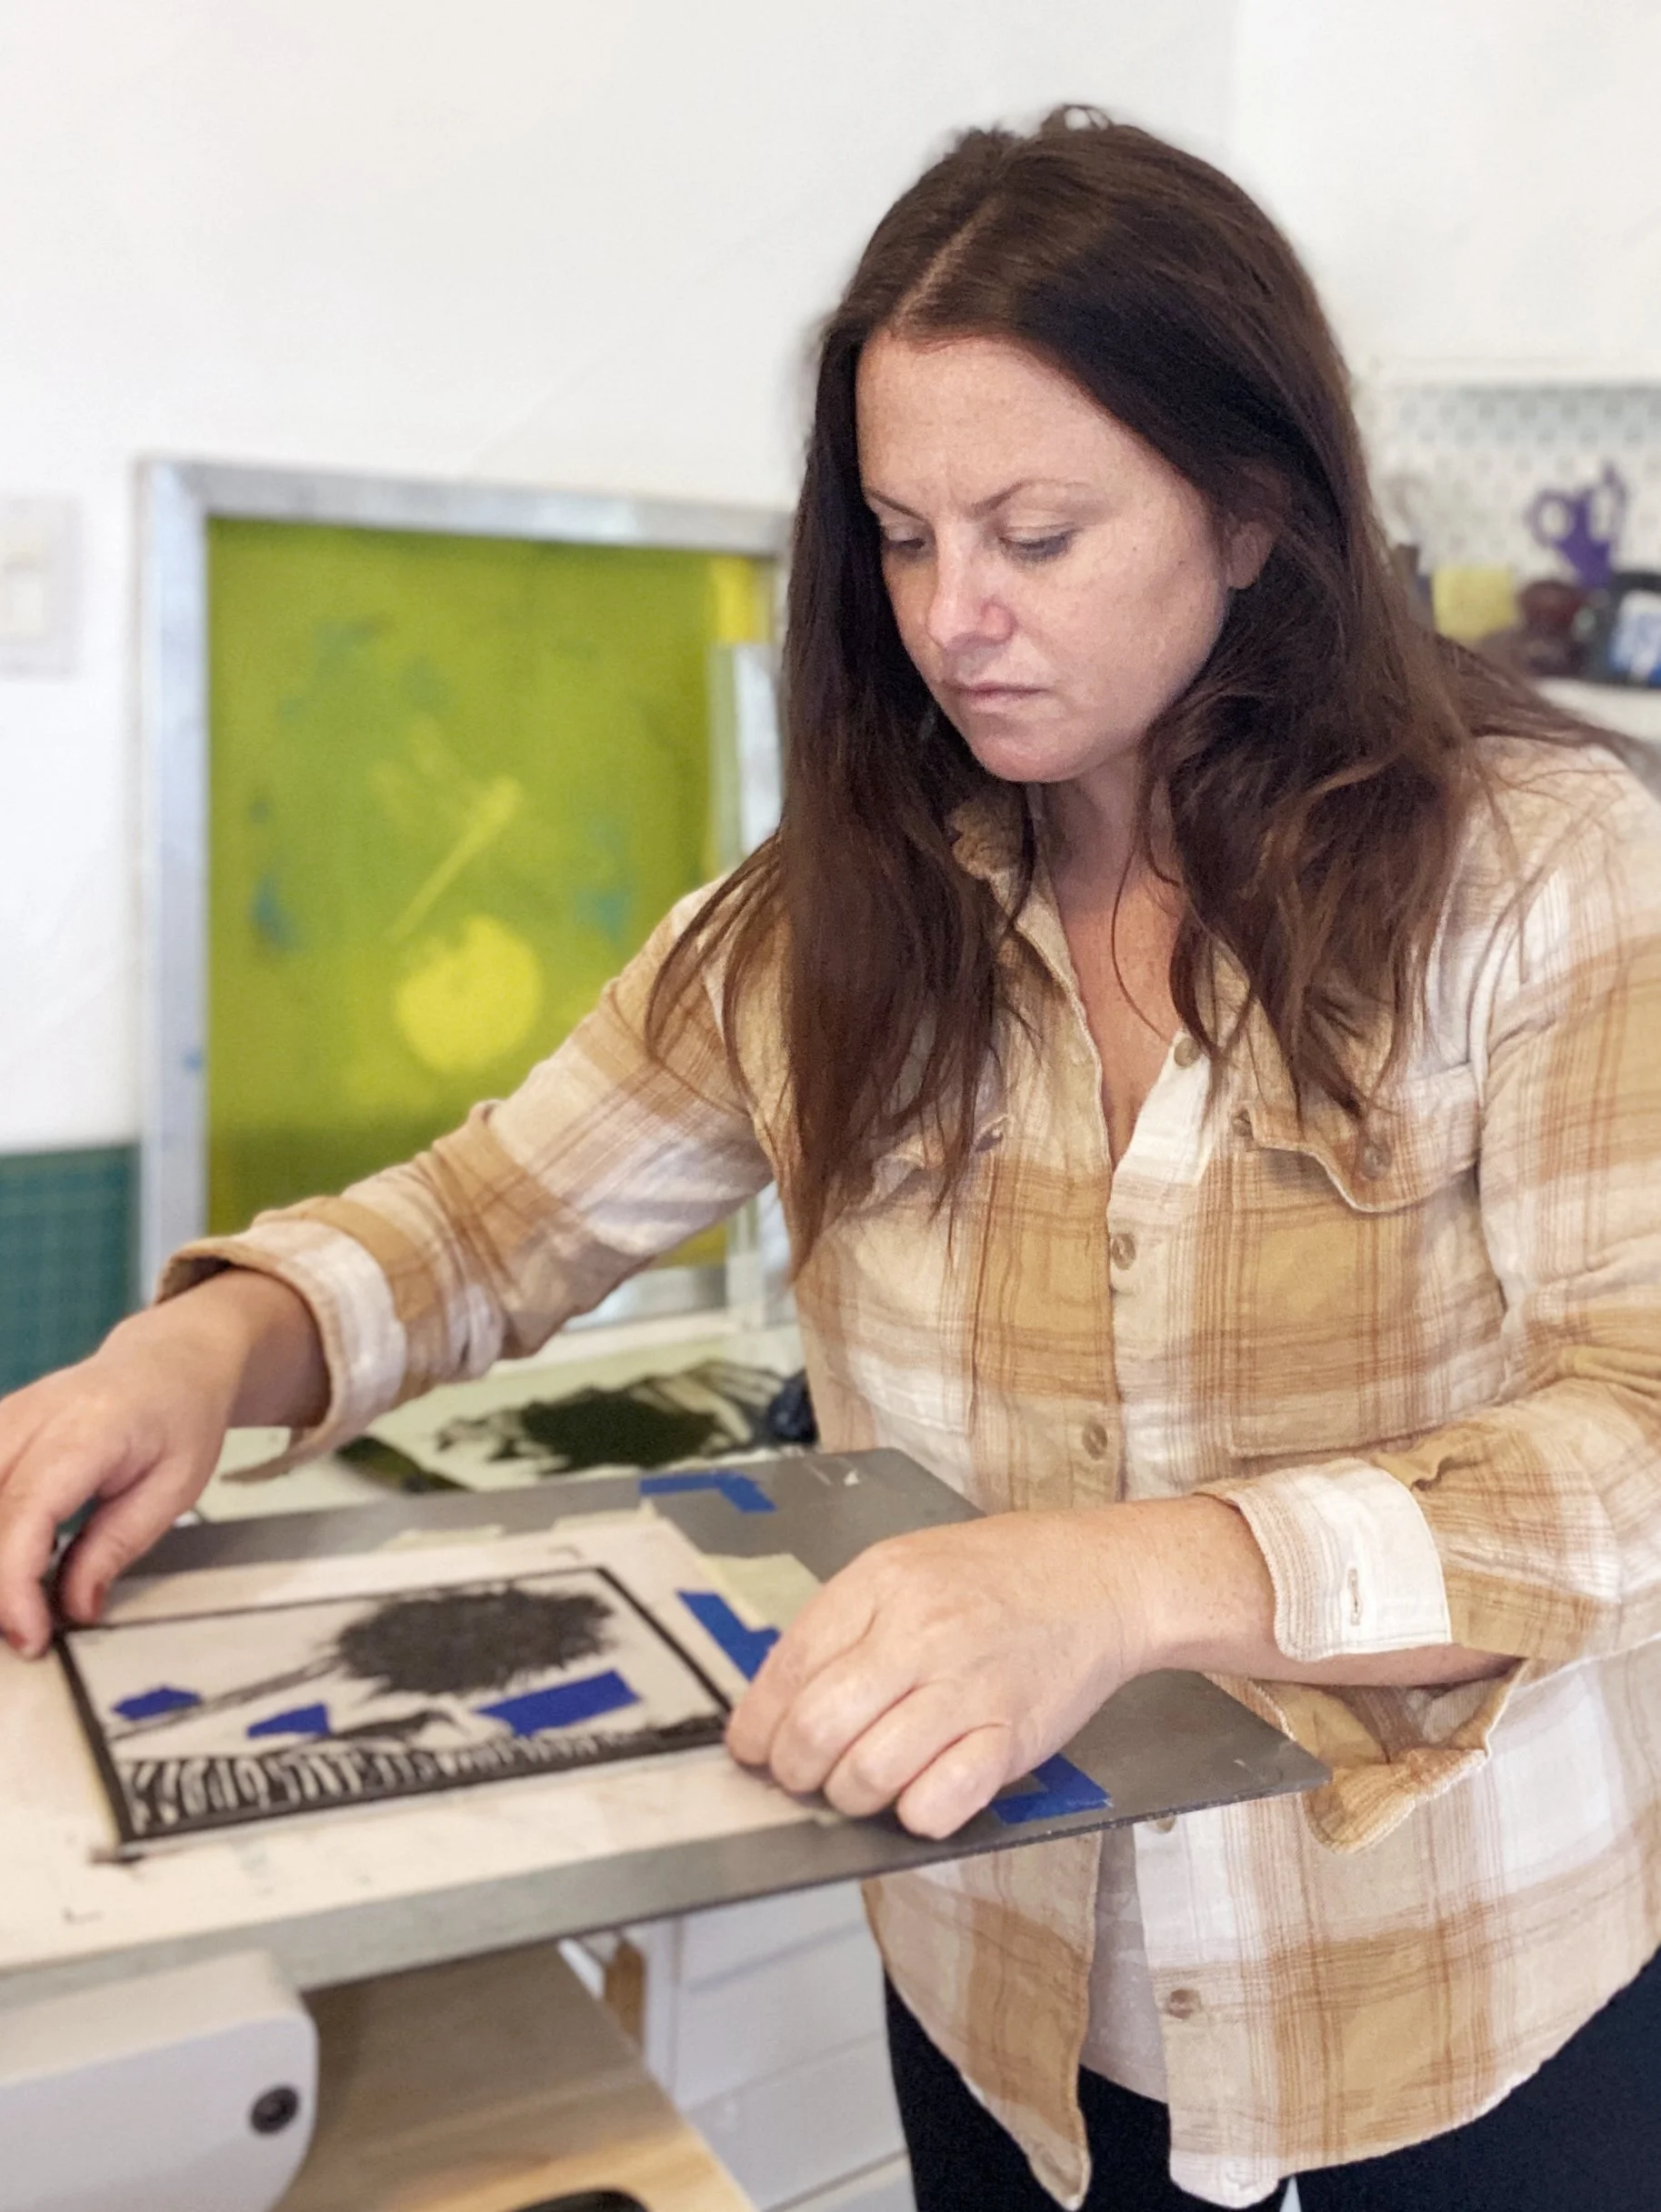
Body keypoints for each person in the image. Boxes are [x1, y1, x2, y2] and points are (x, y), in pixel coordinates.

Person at [3, 108, 1660, 2212]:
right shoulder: (836, 914)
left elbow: (1635, 1436)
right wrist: (204, 1354)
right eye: (897, 535)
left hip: (1448, 2017)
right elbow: (493, 1216)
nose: (951, 615)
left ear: (1251, 515)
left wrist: (1135, 1578)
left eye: (1035, 535)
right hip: (993, 2000)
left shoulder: (1545, 875)